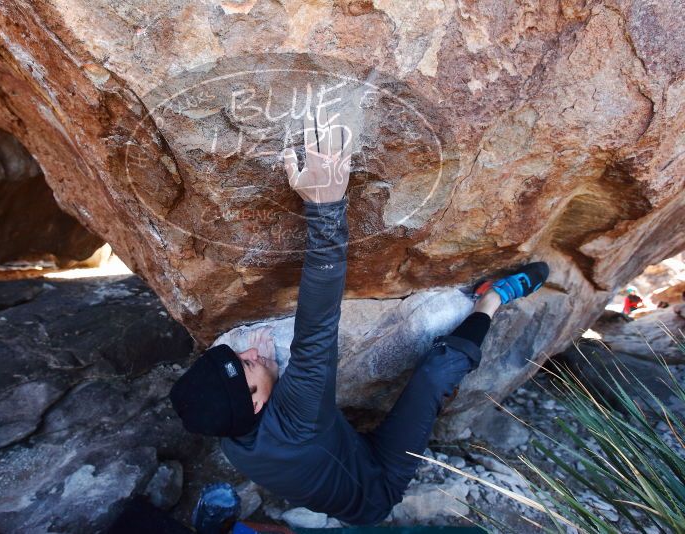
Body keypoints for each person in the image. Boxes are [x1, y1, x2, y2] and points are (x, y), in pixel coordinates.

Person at [170, 104, 550, 525]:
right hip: (378, 486)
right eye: (246, 364)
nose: (253, 354)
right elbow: (317, 322)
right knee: (435, 373)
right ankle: (494, 298)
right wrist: (327, 206)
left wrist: (263, 371)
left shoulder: (231, 438)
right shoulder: (297, 419)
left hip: (335, 457)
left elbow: (258, 398)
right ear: (257, 403)